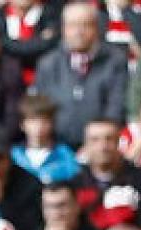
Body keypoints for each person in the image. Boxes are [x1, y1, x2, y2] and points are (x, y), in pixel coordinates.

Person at [31, 4, 125, 150]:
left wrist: (95, 144)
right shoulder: (47, 64)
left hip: (101, 147)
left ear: (96, 28)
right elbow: (40, 110)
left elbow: (115, 109)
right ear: (63, 29)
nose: (78, 32)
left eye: (85, 25)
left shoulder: (115, 62)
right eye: (72, 25)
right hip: (55, 148)